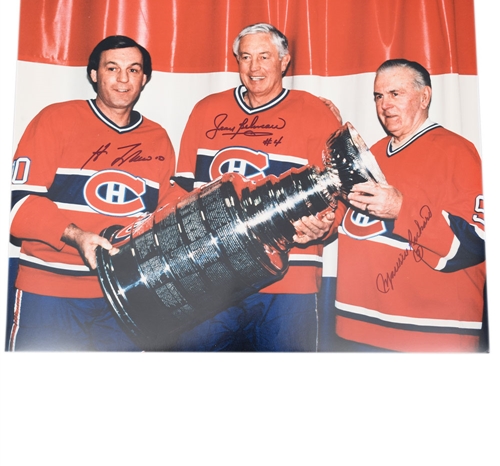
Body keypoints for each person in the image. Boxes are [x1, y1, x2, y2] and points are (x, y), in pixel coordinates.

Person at [173, 23, 342, 351]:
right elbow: (179, 192)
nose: (254, 67)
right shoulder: (206, 110)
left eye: (265, 56)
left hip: (289, 282)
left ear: (284, 61)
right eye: (246, 57)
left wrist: (326, 226)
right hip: (212, 278)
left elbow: (341, 193)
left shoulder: (316, 113)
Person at [8, 35, 182, 351]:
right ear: (93, 74)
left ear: (144, 79)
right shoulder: (55, 119)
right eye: (112, 68)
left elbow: (162, 213)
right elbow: (18, 206)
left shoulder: (158, 137)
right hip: (50, 291)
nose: (123, 79)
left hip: (125, 296)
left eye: (133, 70)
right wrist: (78, 237)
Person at [333, 59, 486, 352]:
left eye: (395, 94)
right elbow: (349, 221)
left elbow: (476, 243)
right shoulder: (372, 155)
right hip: (357, 328)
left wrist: (402, 209)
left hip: (427, 335)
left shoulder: (457, 152)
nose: (385, 105)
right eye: (378, 96)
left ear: (424, 97)